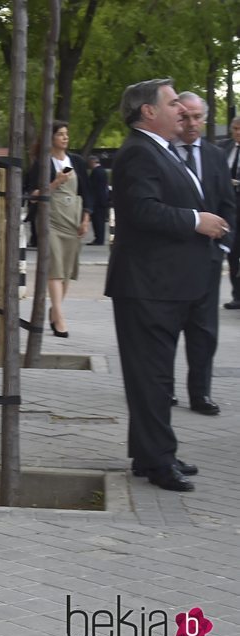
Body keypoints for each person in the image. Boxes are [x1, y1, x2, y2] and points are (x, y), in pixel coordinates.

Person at [106, 78, 229, 492]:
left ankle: (151, 454)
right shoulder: (139, 152)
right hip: (147, 286)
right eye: (174, 103)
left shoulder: (159, 151)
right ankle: (159, 462)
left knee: (154, 378)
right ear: (148, 112)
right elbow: (143, 211)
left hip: (166, 285)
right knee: (153, 378)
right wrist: (197, 220)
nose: (181, 110)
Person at [170, 92, 235, 417]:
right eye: (185, 117)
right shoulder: (163, 153)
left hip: (207, 261)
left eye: (197, 117)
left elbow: (227, 204)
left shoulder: (214, 155)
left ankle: (201, 394)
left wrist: (222, 247)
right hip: (170, 262)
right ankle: (164, 390)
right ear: (175, 117)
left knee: (204, 332)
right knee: (166, 330)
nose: (192, 123)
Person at [25, 121, 93, 337]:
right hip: (49, 221)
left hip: (72, 219)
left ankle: (54, 311)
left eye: (66, 134)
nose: (65, 138)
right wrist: (55, 182)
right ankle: (61, 317)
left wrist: (86, 219)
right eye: (60, 134)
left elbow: (86, 192)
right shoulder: (42, 164)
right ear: (51, 138)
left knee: (66, 270)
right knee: (55, 266)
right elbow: (32, 196)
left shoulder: (76, 162)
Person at [221, 116, 240, 309]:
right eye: (235, 129)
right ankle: (237, 295)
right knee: (233, 252)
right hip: (230, 209)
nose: (238, 133)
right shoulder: (224, 148)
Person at [86, 155, 110, 245]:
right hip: (103, 199)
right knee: (101, 220)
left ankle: (98, 239)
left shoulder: (96, 172)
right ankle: (100, 238)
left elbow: (93, 187)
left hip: (97, 200)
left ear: (92, 162)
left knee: (97, 221)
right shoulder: (102, 171)